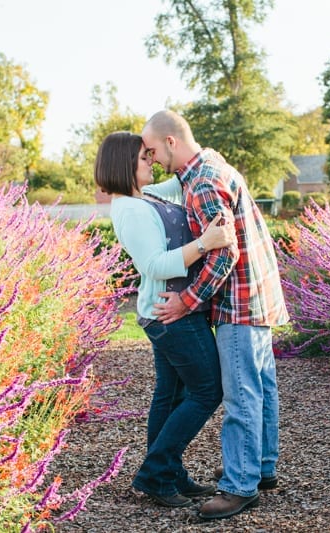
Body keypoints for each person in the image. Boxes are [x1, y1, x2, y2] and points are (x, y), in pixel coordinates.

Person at [141, 110, 290, 520]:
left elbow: (223, 254)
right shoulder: (212, 166)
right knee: (260, 387)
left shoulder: (204, 182)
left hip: (238, 303)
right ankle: (260, 468)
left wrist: (186, 301)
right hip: (257, 297)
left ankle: (239, 487)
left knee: (241, 394)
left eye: (152, 150)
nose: (151, 160)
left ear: (171, 141)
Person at [94, 131, 236, 508]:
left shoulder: (146, 196)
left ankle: (168, 475)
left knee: (170, 395)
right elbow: (155, 264)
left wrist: (203, 155)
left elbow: (180, 179)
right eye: (144, 157)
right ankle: (156, 472)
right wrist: (208, 241)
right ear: (124, 163)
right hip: (171, 312)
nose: (151, 161)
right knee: (208, 390)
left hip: (168, 310)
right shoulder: (129, 208)